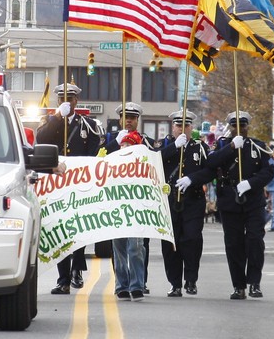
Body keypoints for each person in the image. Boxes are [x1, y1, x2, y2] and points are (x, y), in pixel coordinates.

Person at [35, 82, 102, 294]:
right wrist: (57, 117)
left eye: (70, 99)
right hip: (56, 185)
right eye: (62, 99)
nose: (66, 102)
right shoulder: (51, 121)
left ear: (76, 101)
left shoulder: (87, 125)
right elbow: (41, 139)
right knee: (59, 230)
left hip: (79, 185)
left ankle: (77, 270)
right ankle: (63, 279)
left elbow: (93, 154)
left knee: (78, 228)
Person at [203, 111, 274, 299]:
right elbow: (211, 163)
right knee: (233, 244)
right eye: (235, 126)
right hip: (229, 199)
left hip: (252, 200)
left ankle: (254, 282)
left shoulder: (258, 146)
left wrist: (250, 183)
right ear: (230, 127)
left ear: (247, 127)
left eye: (242, 125)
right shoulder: (221, 145)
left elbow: (269, 171)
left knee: (255, 240)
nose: (239, 129)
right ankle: (238, 285)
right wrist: (231, 148)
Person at [105, 102, 155, 300]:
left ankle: (137, 285)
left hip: (136, 202)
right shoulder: (111, 140)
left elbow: (156, 163)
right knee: (118, 246)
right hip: (116, 201)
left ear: (137, 120)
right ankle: (121, 286)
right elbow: (96, 159)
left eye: (132, 118)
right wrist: (113, 144)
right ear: (119, 120)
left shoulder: (146, 142)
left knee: (135, 246)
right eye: (125, 118)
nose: (128, 121)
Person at [162, 109, 210, 297]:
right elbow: (155, 160)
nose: (182, 128)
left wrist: (192, 179)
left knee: (192, 240)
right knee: (171, 244)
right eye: (178, 125)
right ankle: (175, 283)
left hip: (193, 200)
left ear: (191, 127)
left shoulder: (199, 148)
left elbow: (210, 170)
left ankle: (191, 280)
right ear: (173, 127)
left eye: (186, 125)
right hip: (170, 200)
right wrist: (174, 147)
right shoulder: (165, 145)